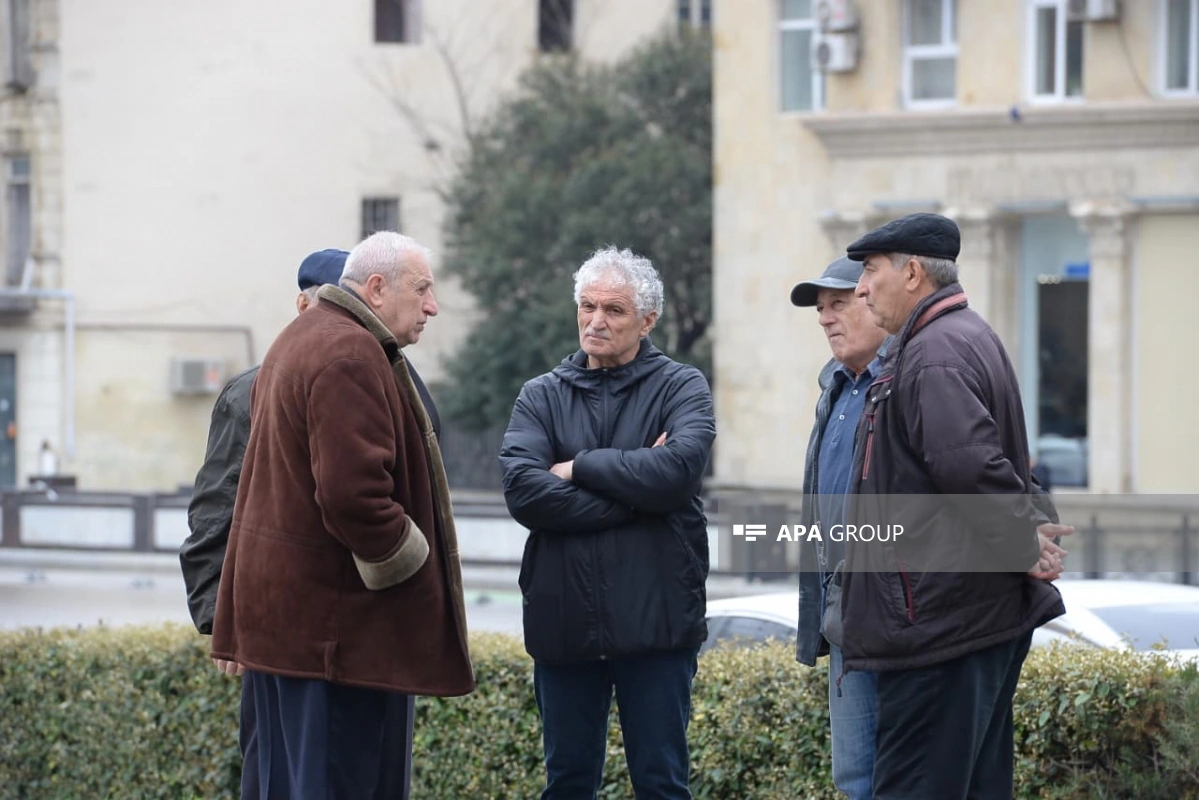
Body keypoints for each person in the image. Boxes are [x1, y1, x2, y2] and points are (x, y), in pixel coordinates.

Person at [209, 231, 474, 799]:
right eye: (422, 290)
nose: (432, 306)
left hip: (296, 634)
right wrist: (412, 558)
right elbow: (354, 497)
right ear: (376, 288)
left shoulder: (303, 337)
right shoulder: (350, 353)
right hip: (336, 642)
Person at [838, 213, 1074, 799]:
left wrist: (1022, 543)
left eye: (870, 271)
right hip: (963, 616)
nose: (860, 288)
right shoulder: (959, 336)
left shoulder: (934, 352)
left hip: (940, 624)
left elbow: (970, 466)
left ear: (912, 273)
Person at [498, 245, 716, 800]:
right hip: (563, 623)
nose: (595, 321)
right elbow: (524, 492)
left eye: (614, 310)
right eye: (587, 306)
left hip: (658, 624)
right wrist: (635, 498)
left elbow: (677, 472)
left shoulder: (682, 386)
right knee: (567, 785)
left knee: (662, 785)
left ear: (647, 320)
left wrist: (579, 468)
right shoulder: (540, 395)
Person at [789, 256, 890, 800]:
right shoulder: (835, 386)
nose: (826, 318)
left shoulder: (909, 379)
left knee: (906, 779)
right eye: (821, 309)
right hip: (845, 614)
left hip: (897, 615)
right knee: (854, 780)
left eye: (839, 304)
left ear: (875, 301)